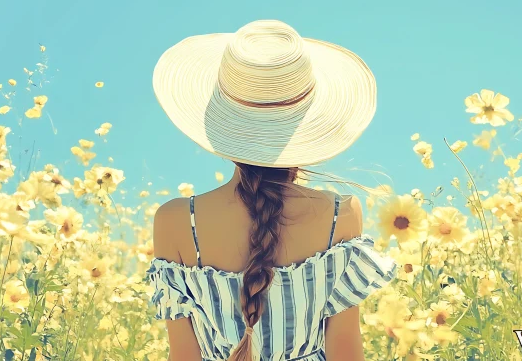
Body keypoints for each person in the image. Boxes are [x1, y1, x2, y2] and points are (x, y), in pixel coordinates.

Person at [147, 20, 397, 361]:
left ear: (225, 128)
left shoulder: (176, 221)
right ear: (307, 128)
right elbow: (346, 352)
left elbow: (183, 356)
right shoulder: (340, 215)